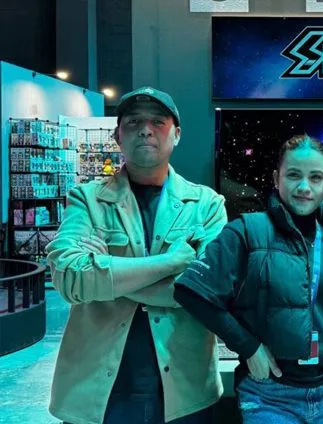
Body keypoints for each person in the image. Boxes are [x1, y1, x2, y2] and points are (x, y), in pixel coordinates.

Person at [46, 86, 227, 424]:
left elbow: (209, 290)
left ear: (176, 134)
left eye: (158, 121)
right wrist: (171, 263)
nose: (145, 129)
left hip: (186, 392)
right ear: (118, 135)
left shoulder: (207, 205)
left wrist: (106, 278)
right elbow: (70, 279)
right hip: (96, 394)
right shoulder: (86, 199)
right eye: (133, 122)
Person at [173, 135, 323, 424]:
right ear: (276, 179)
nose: (304, 187)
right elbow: (191, 292)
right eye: (294, 175)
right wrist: (248, 347)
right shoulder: (246, 231)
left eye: (315, 177)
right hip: (270, 395)